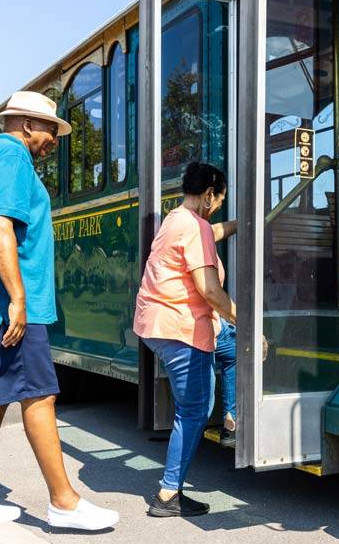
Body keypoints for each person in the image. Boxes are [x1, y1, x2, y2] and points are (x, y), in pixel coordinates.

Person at [0, 91, 119, 531]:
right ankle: (64, 502)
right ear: (26, 125)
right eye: (51, 130)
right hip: (4, 305)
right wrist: (18, 299)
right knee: (40, 395)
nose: (54, 140)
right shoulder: (13, 158)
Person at [133, 161, 238, 517]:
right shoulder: (196, 229)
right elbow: (210, 290)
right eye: (220, 198)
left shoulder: (177, 218)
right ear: (209, 194)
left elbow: (210, 233)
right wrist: (248, 321)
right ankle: (167, 496)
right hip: (179, 328)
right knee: (193, 410)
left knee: (233, 348)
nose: (220, 205)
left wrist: (244, 225)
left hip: (158, 322)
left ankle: (232, 421)